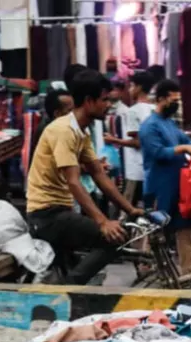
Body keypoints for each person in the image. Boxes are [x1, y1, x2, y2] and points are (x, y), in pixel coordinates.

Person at [25, 68, 143, 285]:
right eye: (104, 100)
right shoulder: (64, 131)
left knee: (105, 237)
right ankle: (71, 291)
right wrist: (103, 222)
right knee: (114, 239)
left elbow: (98, 174)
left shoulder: (81, 131)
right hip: (47, 215)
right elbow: (73, 181)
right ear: (89, 101)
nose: (109, 106)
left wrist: (131, 209)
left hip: (60, 212)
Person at [139, 78, 191, 276]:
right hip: (159, 186)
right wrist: (184, 148)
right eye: (173, 100)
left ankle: (189, 270)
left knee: (184, 228)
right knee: (156, 229)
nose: (177, 104)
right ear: (160, 99)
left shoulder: (169, 124)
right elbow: (158, 153)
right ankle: (146, 266)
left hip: (179, 186)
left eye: (178, 100)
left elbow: (186, 140)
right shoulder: (149, 126)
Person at [115, 71, 156, 209]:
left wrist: (116, 141)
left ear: (139, 87)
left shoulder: (133, 111)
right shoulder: (155, 109)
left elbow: (138, 142)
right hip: (151, 168)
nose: (130, 90)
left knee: (128, 208)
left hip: (135, 169)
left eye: (132, 86)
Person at [28, 88, 74, 174]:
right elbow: (64, 165)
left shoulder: (63, 126)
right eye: (69, 111)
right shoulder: (49, 132)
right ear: (57, 114)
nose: (74, 114)